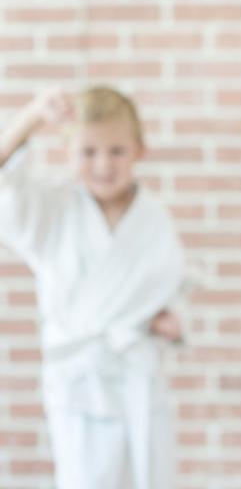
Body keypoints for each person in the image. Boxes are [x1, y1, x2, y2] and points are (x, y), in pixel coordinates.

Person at [0, 87, 185, 489]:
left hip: (139, 378)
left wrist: (167, 318)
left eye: (116, 151)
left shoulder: (154, 218)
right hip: (79, 382)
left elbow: (167, 285)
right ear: (68, 153)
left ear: (140, 150)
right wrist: (33, 115)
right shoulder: (54, 207)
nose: (103, 164)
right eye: (88, 152)